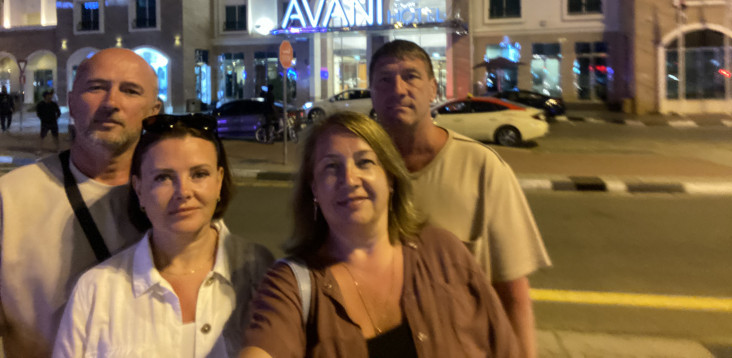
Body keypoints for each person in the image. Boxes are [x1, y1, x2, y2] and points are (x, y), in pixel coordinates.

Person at [241, 111, 519, 357]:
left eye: (364, 162)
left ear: (390, 178)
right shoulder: (292, 286)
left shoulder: (444, 253)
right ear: (314, 189)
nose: (350, 180)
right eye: (331, 167)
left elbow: (503, 346)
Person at [369, 40, 551, 358]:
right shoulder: (356, 171)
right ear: (372, 92)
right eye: (385, 79)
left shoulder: (482, 168)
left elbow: (513, 295)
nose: (398, 89)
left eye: (411, 76)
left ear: (433, 89)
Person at [53, 114, 274, 357]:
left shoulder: (261, 273)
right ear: (138, 188)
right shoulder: (98, 290)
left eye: (199, 174)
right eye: (163, 178)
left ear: (219, 181)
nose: (183, 192)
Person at [0, 48, 162, 357]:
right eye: (96, 87)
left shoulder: (176, 200)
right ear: (71, 102)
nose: (111, 102)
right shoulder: (10, 198)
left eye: (130, 91)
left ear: (154, 111)